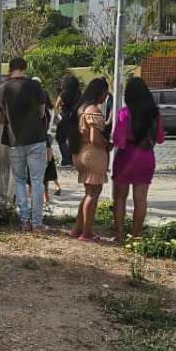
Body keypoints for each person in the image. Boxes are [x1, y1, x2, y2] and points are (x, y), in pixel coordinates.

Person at [0, 57, 49, 232]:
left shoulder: (0, 89)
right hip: (36, 138)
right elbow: (42, 112)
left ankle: (24, 220)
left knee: (19, 180)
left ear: (10, 69)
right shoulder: (34, 86)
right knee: (37, 181)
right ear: (24, 68)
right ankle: (37, 222)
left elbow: (0, 118)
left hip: (14, 140)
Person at [112, 77, 166, 242]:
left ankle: (120, 235)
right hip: (146, 157)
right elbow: (160, 138)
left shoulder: (124, 112)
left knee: (120, 197)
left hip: (126, 158)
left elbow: (118, 139)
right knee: (141, 199)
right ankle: (136, 235)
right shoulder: (154, 114)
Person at [70, 77, 112, 242]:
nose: (106, 96)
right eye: (105, 92)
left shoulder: (82, 108)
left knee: (89, 193)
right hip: (93, 154)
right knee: (93, 194)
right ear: (100, 93)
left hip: (81, 153)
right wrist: (108, 144)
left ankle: (77, 229)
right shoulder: (93, 110)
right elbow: (95, 138)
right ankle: (87, 233)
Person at [55, 75, 81, 167]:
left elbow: (57, 105)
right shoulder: (78, 93)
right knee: (71, 138)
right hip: (75, 117)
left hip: (65, 116)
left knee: (60, 138)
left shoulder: (64, 93)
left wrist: (58, 116)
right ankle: (72, 159)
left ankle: (66, 159)